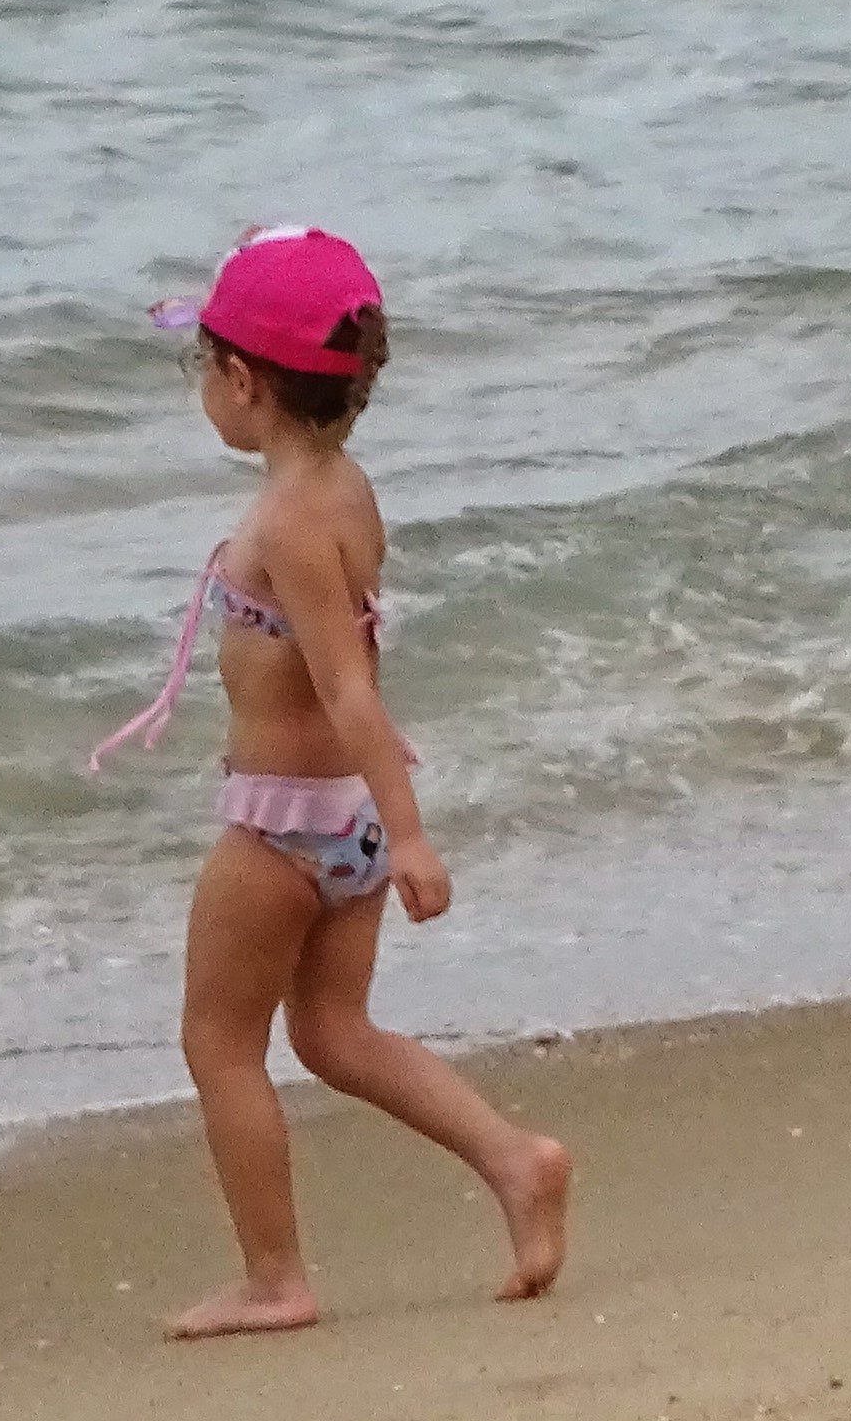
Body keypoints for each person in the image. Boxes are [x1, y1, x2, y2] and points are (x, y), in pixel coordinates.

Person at [92, 227, 568, 1333]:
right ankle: (515, 1159)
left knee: (217, 1043)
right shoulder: (343, 489)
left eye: (200, 364)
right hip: (338, 819)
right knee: (333, 1034)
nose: (201, 387)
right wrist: (382, 828)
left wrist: (412, 837)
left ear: (242, 381)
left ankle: (275, 1278)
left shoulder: (294, 522)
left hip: (283, 829)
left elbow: (349, 689)